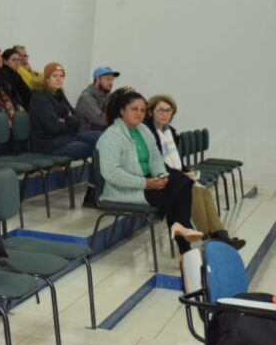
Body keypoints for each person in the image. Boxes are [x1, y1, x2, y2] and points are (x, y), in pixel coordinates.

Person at [96, 88, 202, 254]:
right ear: (122, 111)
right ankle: (184, 243)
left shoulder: (143, 130)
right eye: (134, 109)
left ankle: (182, 232)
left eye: (143, 110)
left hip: (148, 181)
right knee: (174, 195)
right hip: (124, 189)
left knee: (183, 181)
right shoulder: (112, 136)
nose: (139, 113)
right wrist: (145, 183)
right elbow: (111, 173)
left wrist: (162, 175)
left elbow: (155, 158)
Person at [146, 94, 245, 249]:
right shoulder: (148, 132)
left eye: (168, 110)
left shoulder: (170, 132)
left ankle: (219, 236)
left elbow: (175, 158)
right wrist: (181, 174)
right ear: (151, 111)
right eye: (160, 110)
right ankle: (215, 237)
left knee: (202, 190)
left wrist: (186, 170)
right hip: (161, 179)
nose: (165, 114)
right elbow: (157, 162)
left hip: (176, 176)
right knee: (195, 190)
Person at [28, 63, 99, 159]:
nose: (59, 79)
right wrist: (68, 119)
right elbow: (53, 127)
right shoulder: (40, 98)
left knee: (100, 137)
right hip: (48, 145)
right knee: (89, 147)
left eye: (61, 76)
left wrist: (66, 119)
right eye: (55, 76)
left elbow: (77, 120)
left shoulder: (59, 94)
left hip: (66, 138)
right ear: (47, 79)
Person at [75, 66, 119, 132]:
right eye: (108, 79)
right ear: (98, 79)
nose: (111, 83)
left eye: (112, 79)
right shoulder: (86, 97)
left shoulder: (107, 95)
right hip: (88, 133)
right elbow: (101, 120)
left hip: (102, 131)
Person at [0, 46, 27, 111]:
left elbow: (14, 92)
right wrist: (15, 105)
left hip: (14, 106)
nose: (0, 58)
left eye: (0, 56)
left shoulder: (3, 73)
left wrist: (19, 104)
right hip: (1, 107)